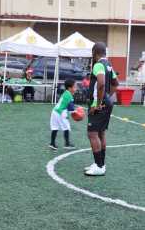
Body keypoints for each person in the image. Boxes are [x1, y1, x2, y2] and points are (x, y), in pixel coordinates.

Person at [84, 42, 119, 177]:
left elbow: (102, 83)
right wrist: (108, 97)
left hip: (98, 104)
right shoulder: (109, 65)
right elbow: (116, 84)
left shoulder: (98, 65)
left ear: (94, 53)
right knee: (101, 134)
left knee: (92, 134)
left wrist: (98, 103)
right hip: (107, 102)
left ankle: (99, 166)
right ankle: (100, 164)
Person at [49, 79, 78, 151]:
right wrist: (77, 113)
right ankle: (67, 144)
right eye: (75, 87)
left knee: (55, 127)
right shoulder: (69, 96)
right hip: (61, 112)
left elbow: (68, 106)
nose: (76, 88)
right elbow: (71, 109)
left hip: (55, 111)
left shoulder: (66, 93)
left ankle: (52, 143)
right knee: (66, 127)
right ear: (69, 88)